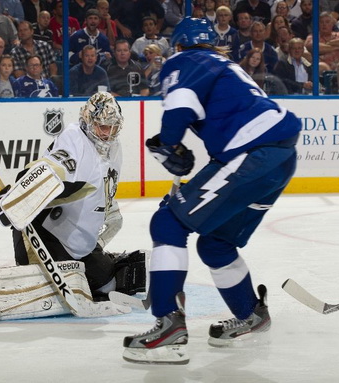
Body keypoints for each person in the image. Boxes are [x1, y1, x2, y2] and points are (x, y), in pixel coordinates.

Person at [122, 17, 300, 365]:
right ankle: (250, 313)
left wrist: (169, 146)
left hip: (253, 153)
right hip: (280, 157)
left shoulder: (184, 60)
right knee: (216, 242)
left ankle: (167, 324)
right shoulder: (225, 64)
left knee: (168, 223)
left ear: (180, 43)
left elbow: (179, 109)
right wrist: (172, 147)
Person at [0, 92, 146, 322]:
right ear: (88, 120)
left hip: (79, 243)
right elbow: (51, 169)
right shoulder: (74, 138)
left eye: (112, 127)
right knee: (50, 289)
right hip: (44, 233)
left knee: (109, 284)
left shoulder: (113, 147)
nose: (107, 133)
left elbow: (103, 186)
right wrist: (19, 197)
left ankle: (78, 270)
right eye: (102, 126)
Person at [305, 12, 339, 93]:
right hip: (324, 70)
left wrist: (328, 44)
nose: (324, 24)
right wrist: (337, 46)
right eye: (321, 22)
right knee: (321, 66)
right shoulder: (313, 37)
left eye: (327, 22)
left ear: (332, 24)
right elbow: (314, 47)